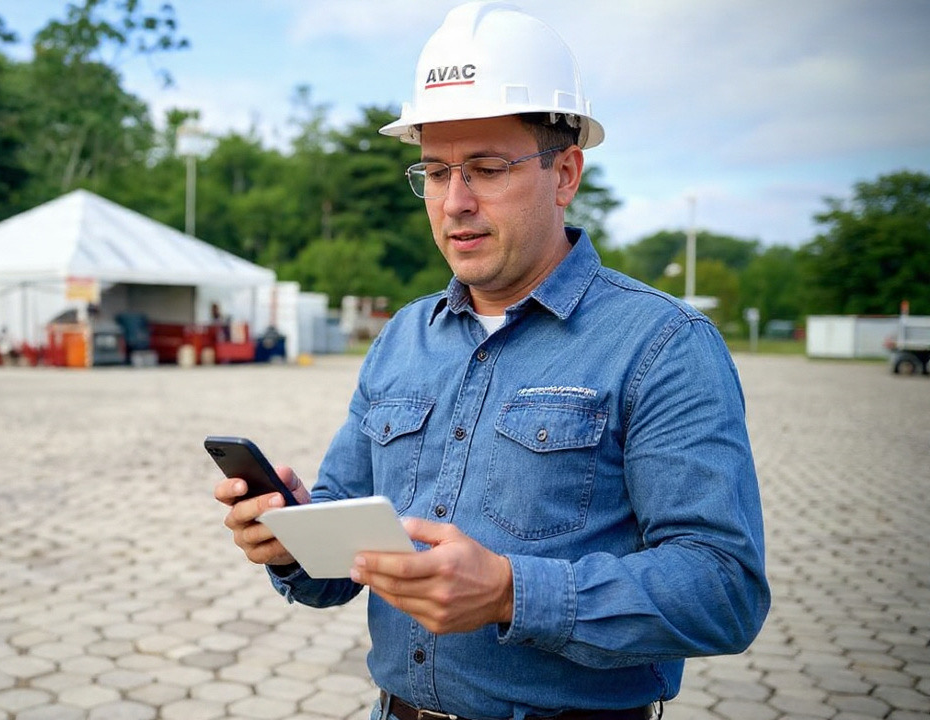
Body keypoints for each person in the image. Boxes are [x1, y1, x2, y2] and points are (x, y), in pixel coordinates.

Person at [215, 3, 770, 719]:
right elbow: (344, 562)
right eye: (437, 172)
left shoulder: (661, 345)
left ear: (565, 172)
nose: (456, 202)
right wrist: (292, 534)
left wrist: (512, 592)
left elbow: (723, 590)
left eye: (486, 167)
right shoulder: (403, 336)